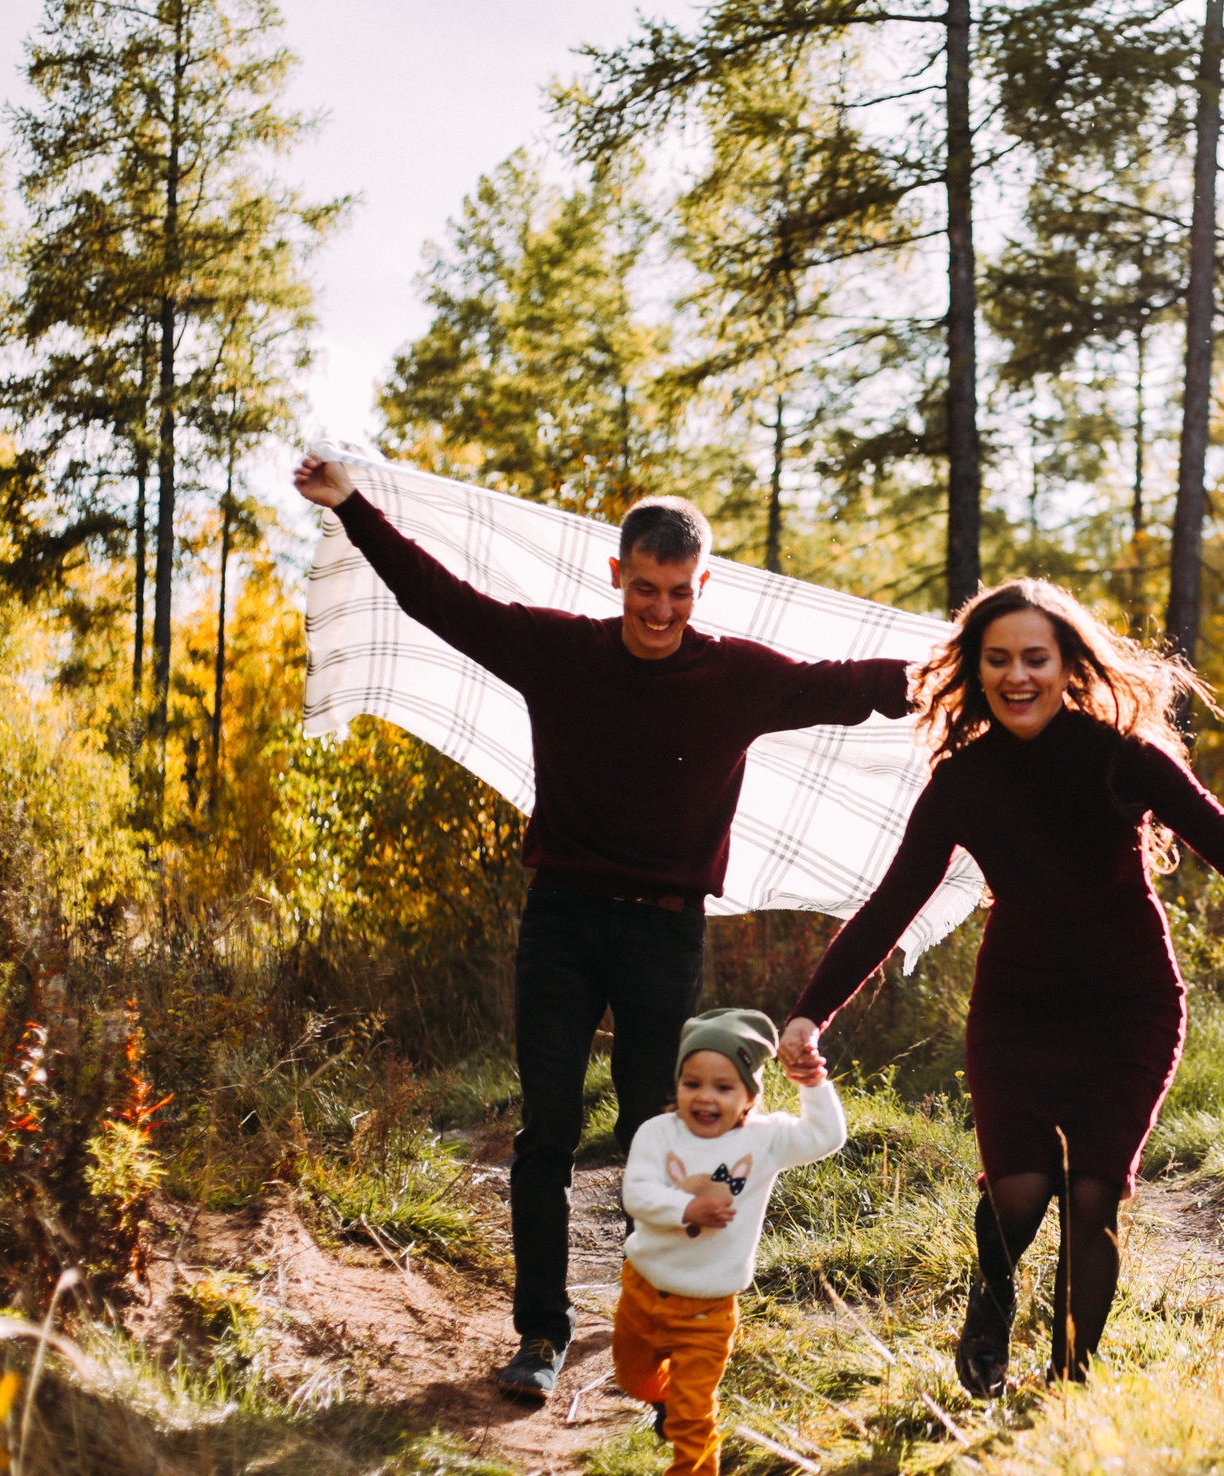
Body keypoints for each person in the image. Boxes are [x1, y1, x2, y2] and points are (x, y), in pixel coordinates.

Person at [292, 455, 914, 1400]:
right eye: (645, 588)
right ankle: (541, 1332)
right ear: (616, 573)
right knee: (546, 1129)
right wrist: (352, 507)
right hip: (563, 920)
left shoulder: (735, 677)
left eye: (679, 592)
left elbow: (855, 683)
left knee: (654, 1129)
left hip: (665, 933)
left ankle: (644, 1313)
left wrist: (984, 670)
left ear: (702, 585)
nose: (661, 610)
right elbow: (444, 603)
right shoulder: (560, 652)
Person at [778, 579, 1224, 1390]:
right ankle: (992, 1301)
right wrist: (810, 1015)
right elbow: (892, 904)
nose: (1017, 675)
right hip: (1016, 1011)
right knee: (1020, 1191)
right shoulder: (962, 780)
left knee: (1092, 1193)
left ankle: (1069, 1383)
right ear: (976, 670)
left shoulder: (1120, 757)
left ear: (1068, 664)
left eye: (1035, 657)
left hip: (1130, 1005)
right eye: (998, 659)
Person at [614, 1009, 842, 1476]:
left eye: (723, 1086)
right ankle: (663, 1401)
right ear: (676, 1086)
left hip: (708, 1309)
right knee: (635, 1380)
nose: (705, 1098)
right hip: (642, 1290)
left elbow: (826, 1136)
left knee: (696, 1410)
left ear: (749, 1096)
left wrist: (812, 1083)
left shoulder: (766, 1139)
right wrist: (686, 1207)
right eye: (691, 1083)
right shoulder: (657, 1133)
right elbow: (637, 1194)